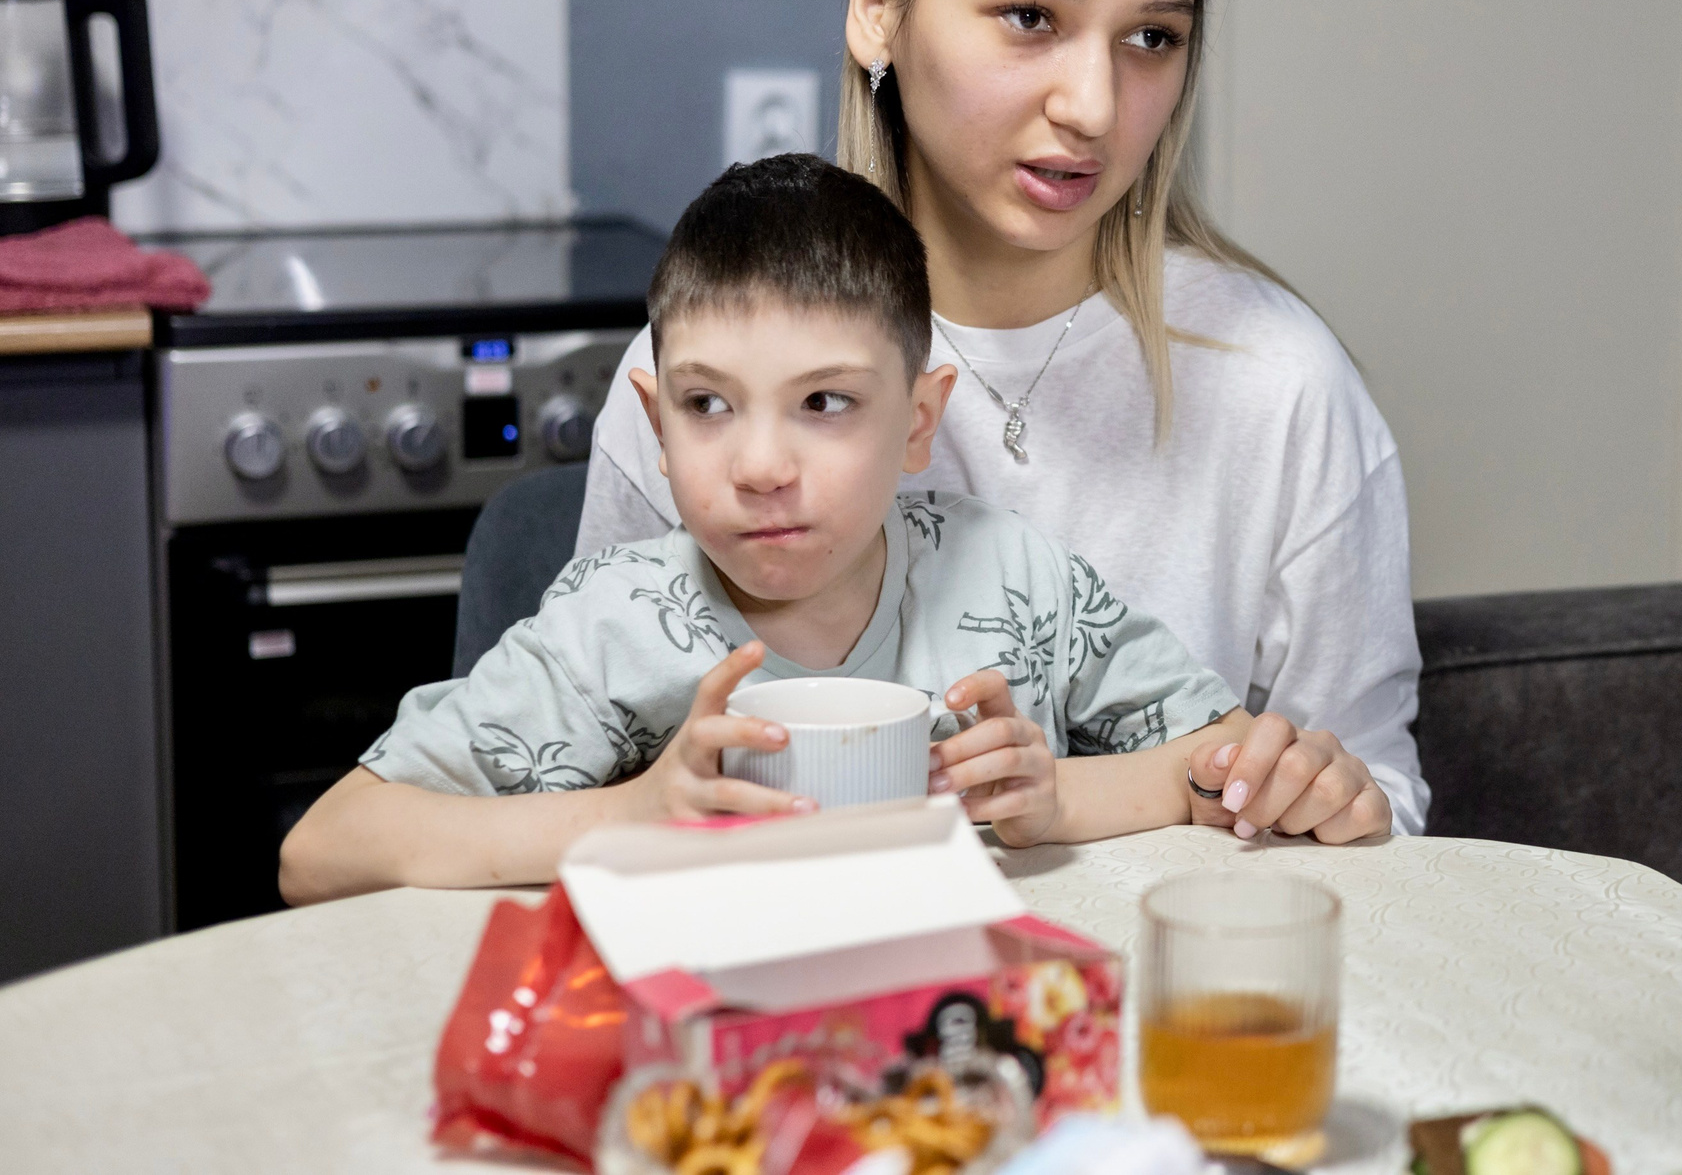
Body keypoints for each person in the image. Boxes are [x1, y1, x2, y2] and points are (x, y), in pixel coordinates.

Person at [576, 0, 1430, 835]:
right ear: (877, 7)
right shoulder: (704, 377)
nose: (1093, 105)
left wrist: (1335, 798)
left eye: (1152, 39)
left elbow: (1384, 807)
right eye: (1030, 16)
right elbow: (587, 787)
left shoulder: (1281, 383)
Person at [277, 158, 1391, 905]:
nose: (761, 465)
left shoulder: (1015, 579)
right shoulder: (613, 627)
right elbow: (322, 849)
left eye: (824, 402)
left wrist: (1056, 799)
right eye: (709, 404)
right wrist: (636, 814)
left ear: (917, 423)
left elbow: (1216, 769)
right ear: (657, 427)